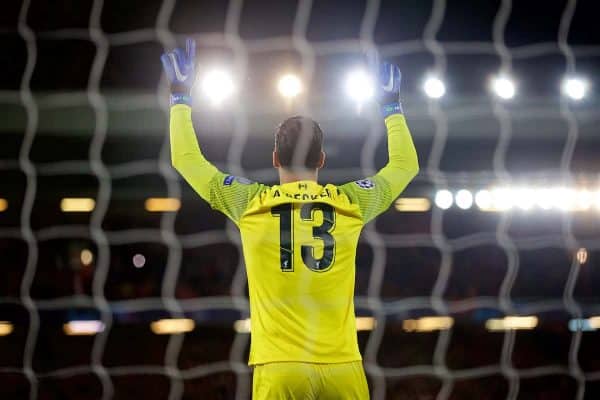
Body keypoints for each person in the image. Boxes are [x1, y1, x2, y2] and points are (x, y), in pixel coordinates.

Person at [161, 38, 419, 399]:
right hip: (342, 367)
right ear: (322, 160)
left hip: (279, 368)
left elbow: (186, 161)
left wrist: (180, 95)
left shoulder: (250, 203)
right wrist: (392, 106)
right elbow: (406, 166)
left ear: (275, 158)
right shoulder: (350, 203)